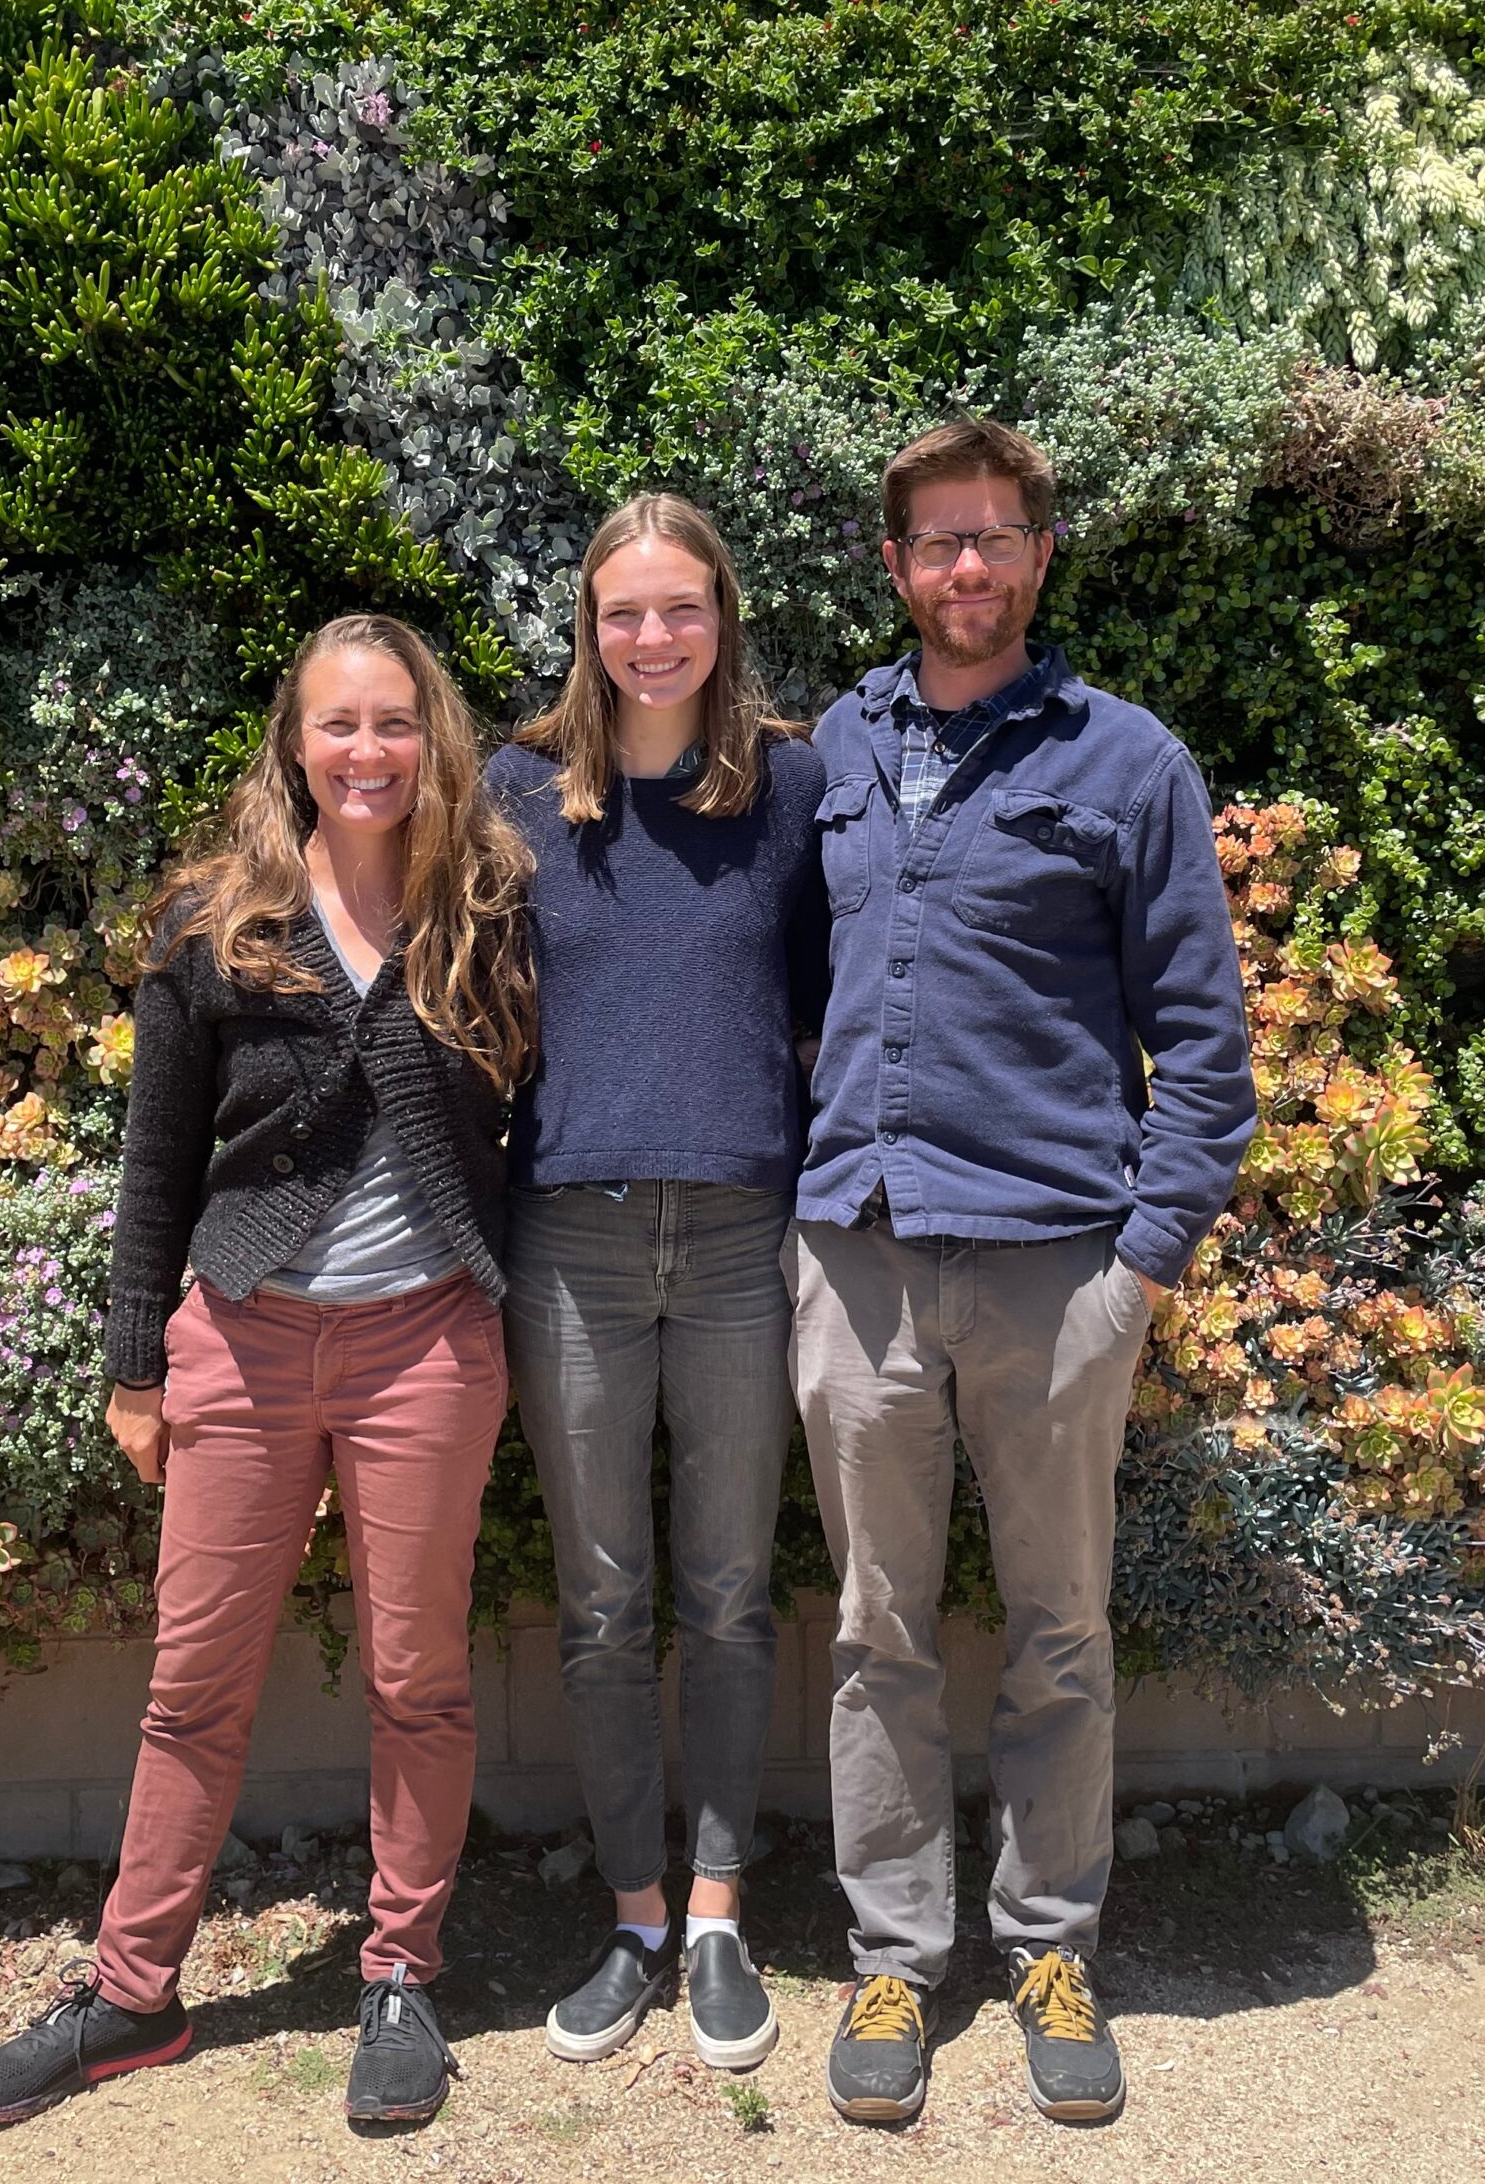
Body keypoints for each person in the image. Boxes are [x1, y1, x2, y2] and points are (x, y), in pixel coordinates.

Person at [0, 614, 535, 2133]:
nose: (366, 752)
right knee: (191, 1685)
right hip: (243, 1338)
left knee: (417, 1677)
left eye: (394, 723)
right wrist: (135, 1363)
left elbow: (533, 1127)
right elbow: (154, 1166)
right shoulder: (214, 922)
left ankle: (400, 1972)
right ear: (293, 741)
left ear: (433, 737)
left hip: (426, 1344)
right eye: (336, 724)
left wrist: (508, 1299)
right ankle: (132, 1994)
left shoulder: (485, 906)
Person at [794, 420, 1256, 2129]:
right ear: (897, 563)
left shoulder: (1125, 761)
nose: (966, 569)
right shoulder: (828, 748)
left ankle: (1050, 1944)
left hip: (1058, 1269)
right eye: (936, 543)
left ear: (1039, 555)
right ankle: (897, 1956)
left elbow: (1203, 1051)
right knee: (875, 1632)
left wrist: (1136, 1264)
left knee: (1059, 1626)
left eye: (996, 538)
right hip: (855, 1261)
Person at [486, 495, 826, 2075]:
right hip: (575, 1237)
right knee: (606, 1602)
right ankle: (630, 1917)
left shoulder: (788, 784)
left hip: (747, 1236)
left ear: (720, 615)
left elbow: (831, 998)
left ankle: (713, 1914)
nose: (652, 638)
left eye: (679, 608)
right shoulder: (514, 791)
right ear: (587, 621)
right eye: (624, 612)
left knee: (731, 1593)